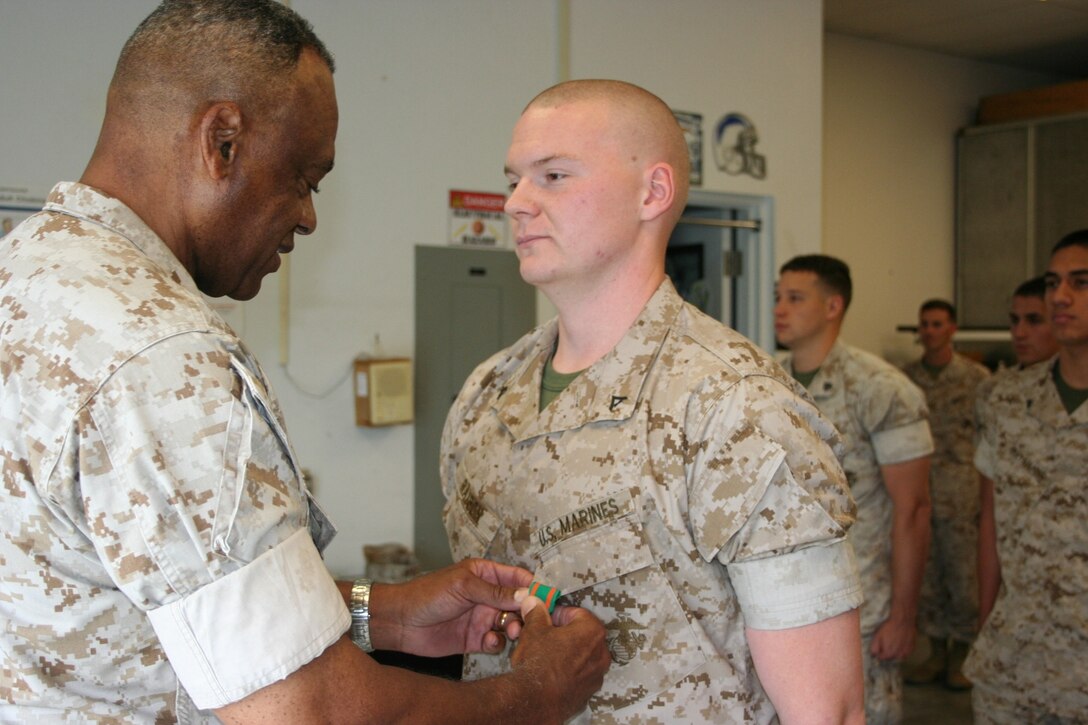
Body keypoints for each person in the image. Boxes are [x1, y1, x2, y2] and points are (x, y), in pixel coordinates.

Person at [0, 2, 609, 722]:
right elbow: (312, 712)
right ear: (221, 142)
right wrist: (537, 693)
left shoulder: (26, 274)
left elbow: (145, 596)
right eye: (303, 178)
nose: (309, 216)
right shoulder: (163, 355)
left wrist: (378, 612)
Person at [441, 79, 866, 724]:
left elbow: (825, 712)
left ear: (653, 192)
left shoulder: (736, 408)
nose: (517, 204)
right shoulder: (486, 396)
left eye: (553, 175)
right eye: (514, 180)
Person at [774, 254, 933, 725]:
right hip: (783, 602)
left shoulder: (881, 389)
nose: (780, 309)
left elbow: (914, 509)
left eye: (795, 298)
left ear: (833, 306)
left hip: (860, 608)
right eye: (777, 297)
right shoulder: (767, 383)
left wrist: (903, 616)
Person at [966, 231, 1088, 723]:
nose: (1060, 296)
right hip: (1013, 666)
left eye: (1080, 283)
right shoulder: (1007, 399)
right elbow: (990, 520)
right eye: (1054, 282)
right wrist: (984, 624)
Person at [899, 300, 989, 690]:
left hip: (961, 491)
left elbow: (989, 440)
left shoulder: (977, 379)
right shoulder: (905, 379)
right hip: (919, 491)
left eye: (937, 324)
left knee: (963, 574)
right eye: (925, 325)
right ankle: (935, 651)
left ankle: (963, 654)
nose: (930, 331)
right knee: (927, 573)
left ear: (952, 328)